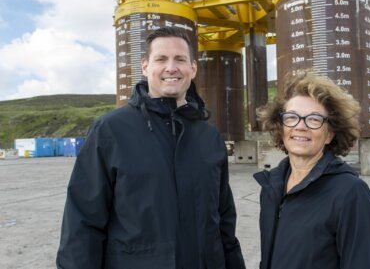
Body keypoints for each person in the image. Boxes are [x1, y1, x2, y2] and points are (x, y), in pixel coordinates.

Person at [56, 27, 246, 269]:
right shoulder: (110, 130)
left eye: (180, 59)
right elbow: (82, 222)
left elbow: (224, 222)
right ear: (145, 67)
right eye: (161, 59)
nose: (171, 68)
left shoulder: (209, 137)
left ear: (193, 68)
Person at [254, 73, 370, 269]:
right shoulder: (272, 186)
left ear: (330, 134)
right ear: (281, 127)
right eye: (292, 117)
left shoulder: (350, 193)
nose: (300, 126)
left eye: (314, 119)